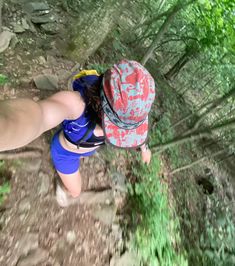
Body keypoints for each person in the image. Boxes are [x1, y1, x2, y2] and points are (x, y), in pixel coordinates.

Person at [0, 59, 155, 206]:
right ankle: (61, 183)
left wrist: (144, 148)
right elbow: (39, 115)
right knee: (75, 191)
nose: (124, 130)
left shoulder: (130, 111)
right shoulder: (75, 104)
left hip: (83, 147)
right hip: (65, 153)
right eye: (119, 126)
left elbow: (135, 133)